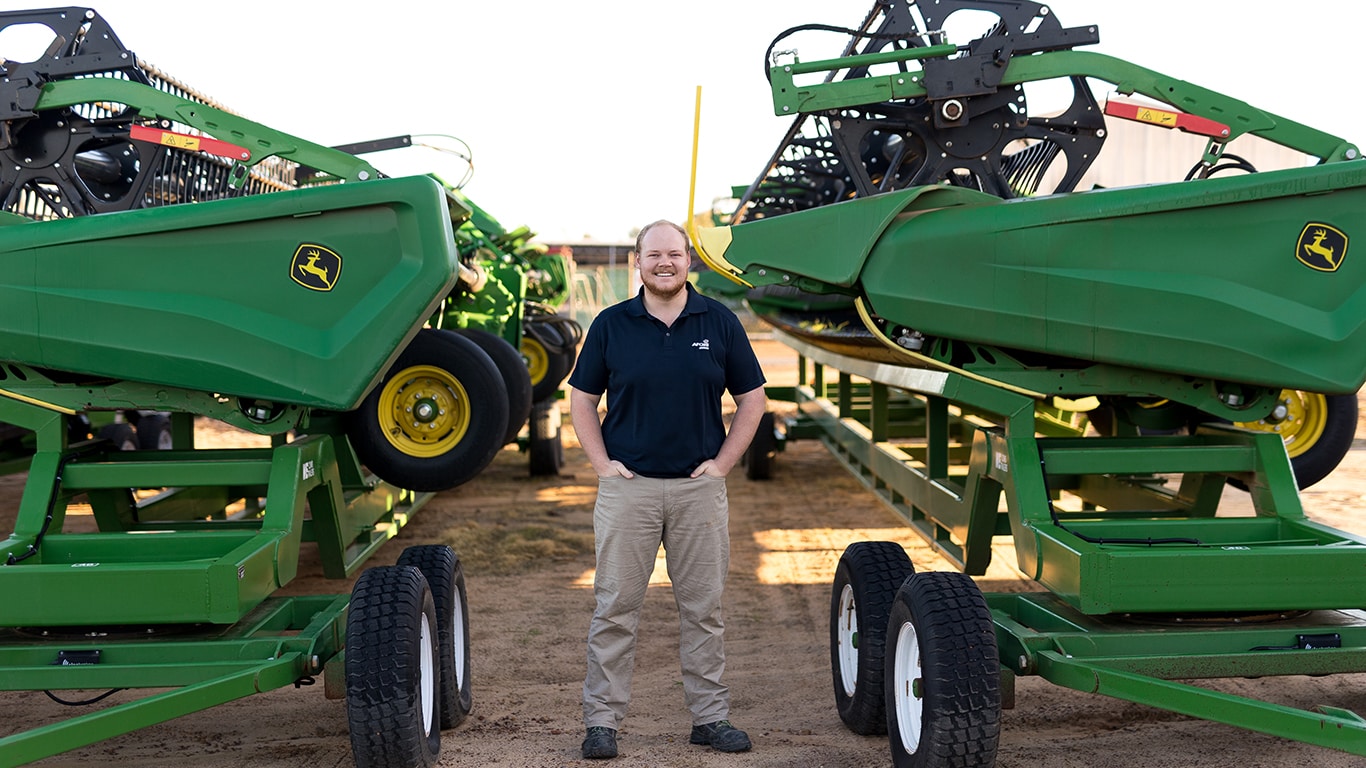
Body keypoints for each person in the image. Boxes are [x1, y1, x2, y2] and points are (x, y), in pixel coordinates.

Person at [568, 219, 768, 760]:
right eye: (654, 254)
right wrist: (602, 465)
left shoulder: (719, 321)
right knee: (615, 609)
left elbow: (753, 399)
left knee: (703, 610)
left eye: (674, 254)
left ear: (688, 261)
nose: (665, 263)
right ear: (638, 262)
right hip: (627, 490)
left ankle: (710, 718)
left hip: (696, 492)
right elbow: (582, 400)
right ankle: (602, 723)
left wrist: (724, 463)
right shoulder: (612, 325)